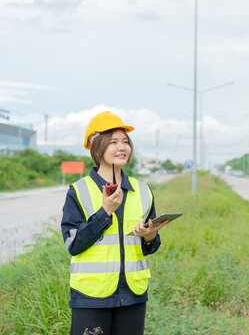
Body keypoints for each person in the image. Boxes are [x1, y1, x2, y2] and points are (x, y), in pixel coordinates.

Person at [61, 111, 169, 335]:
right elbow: (73, 244)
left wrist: (150, 237)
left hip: (132, 295)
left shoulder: (143, 191)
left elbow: (150, 246)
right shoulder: (78, 191)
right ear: (96, 146)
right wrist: (105, 212)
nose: (123, 147)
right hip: (92, 298)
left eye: (125, 142)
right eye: (113, 142)